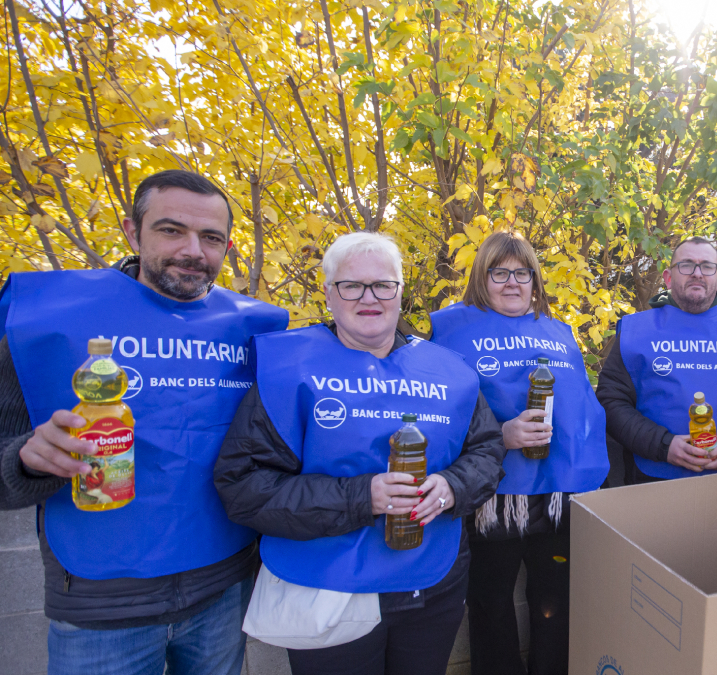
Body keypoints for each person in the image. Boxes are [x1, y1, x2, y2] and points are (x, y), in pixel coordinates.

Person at [0, 170, 289, 674]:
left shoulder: (255, 330)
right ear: (133, 232)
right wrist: (24, 460)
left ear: (227, 247)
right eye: (171, 230)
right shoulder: (47, 322)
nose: (192, 251)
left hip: (224, 589)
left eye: (211, 238)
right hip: (100, 601)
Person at [214, 232, 506, 675]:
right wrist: (362, 497)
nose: (369, 298)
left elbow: (486, 450)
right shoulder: (290, 369)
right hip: (327, 588)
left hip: (431, 584)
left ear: (400, 292)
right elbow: (243, 486)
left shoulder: (449, 370)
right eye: (352, 285)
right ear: (328, 293)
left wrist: (452, 486)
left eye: (383, 285)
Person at [429, 231, 608, 675]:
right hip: (492, 496)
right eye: (499, 273)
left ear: (535, 280)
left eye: (522, 273)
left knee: (555, 601)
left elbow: (583, 403)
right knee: (490, 602)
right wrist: (500, 434)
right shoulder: (450, 330)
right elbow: (437, 413)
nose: (512, 282)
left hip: (560, 493)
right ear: (481, 278)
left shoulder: (559, 331)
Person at [597, 236, 717, 484]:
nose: (697, 273)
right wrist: (663, 445)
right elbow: (611, 400)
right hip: (652, 480)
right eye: (686, 265)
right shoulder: (637, 332)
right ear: (668, 277)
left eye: (707, 266)